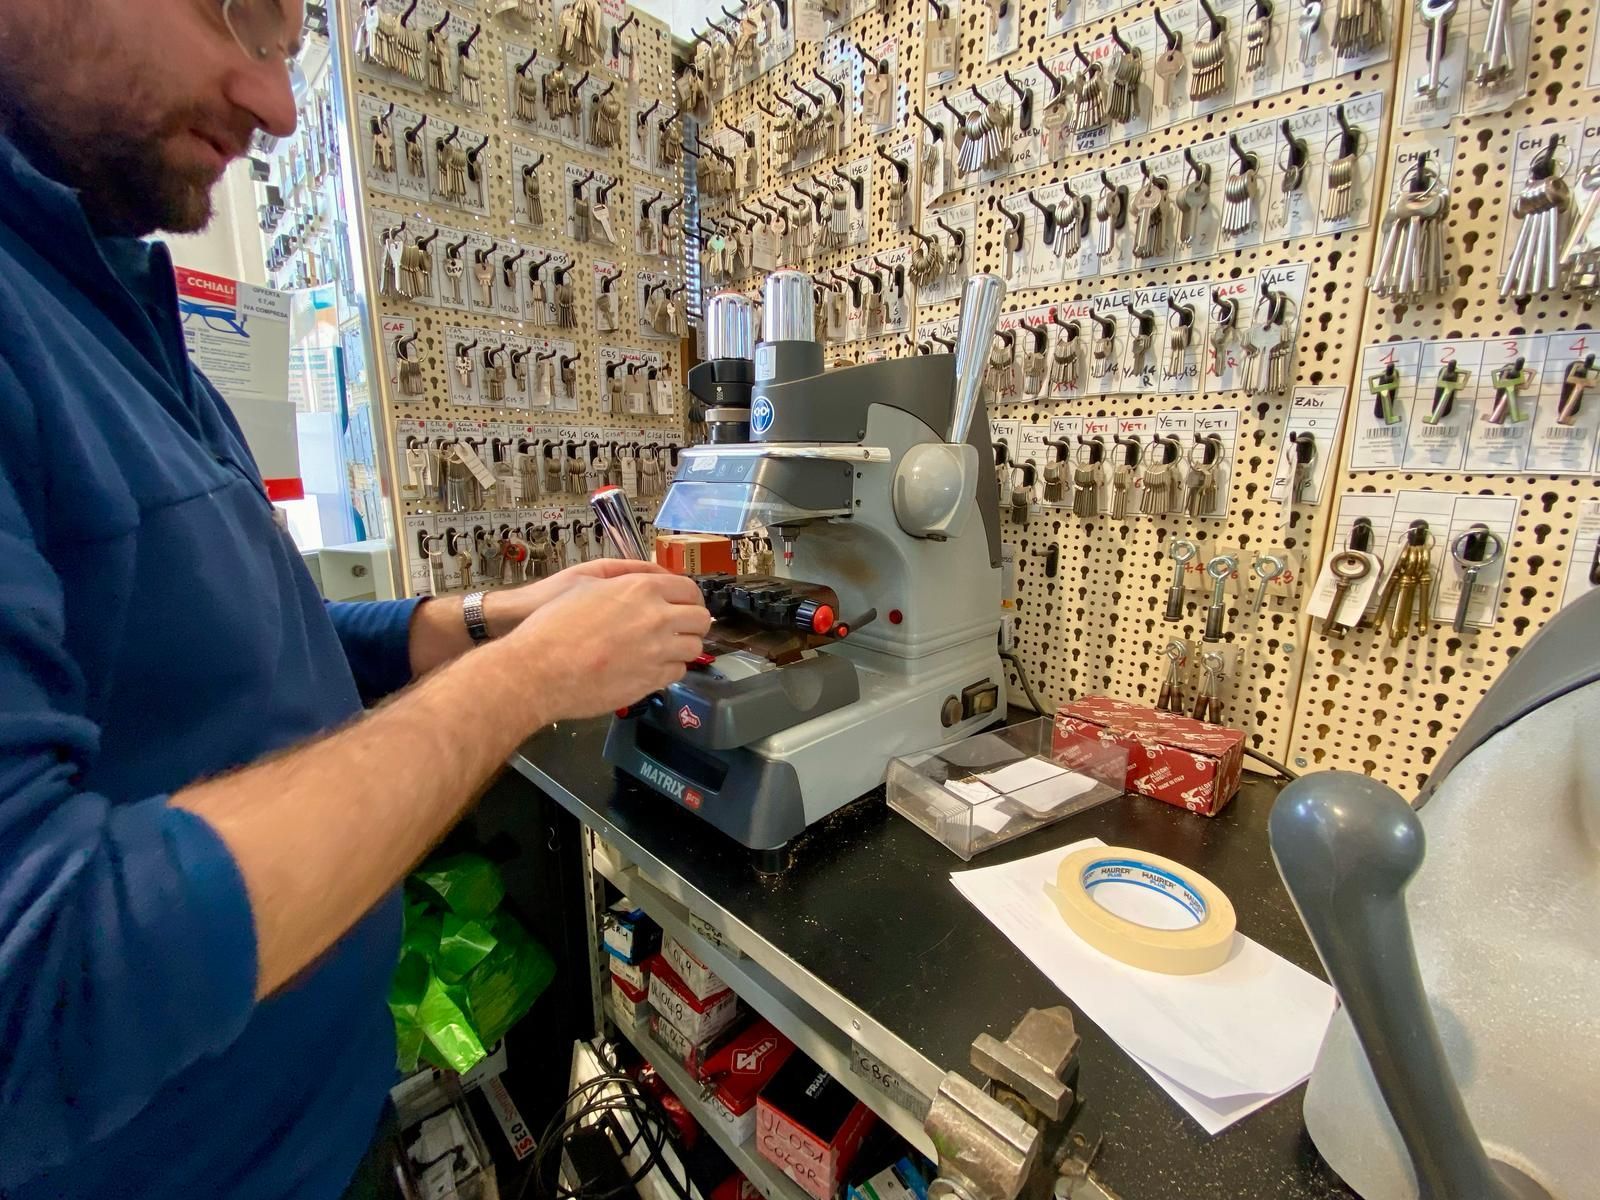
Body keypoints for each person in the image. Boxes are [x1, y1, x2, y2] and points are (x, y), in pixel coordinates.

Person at [0, 1, 712, 1196]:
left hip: (328, 1125)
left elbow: (254, 645)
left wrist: (487, 620)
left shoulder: (118, 302)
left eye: (287, 52)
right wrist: (523, 681)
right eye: (239, 16)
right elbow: (40, 984)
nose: (278, 106)